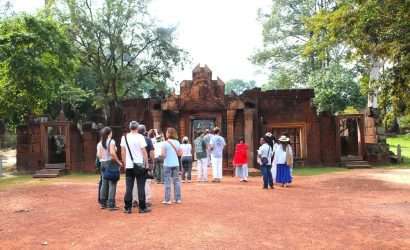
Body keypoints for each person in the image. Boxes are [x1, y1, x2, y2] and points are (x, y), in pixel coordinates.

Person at [121, 121, 150, 214]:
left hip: (129, 166)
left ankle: (127, 208)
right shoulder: (140, 137)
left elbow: (123, 152)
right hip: (139, 165)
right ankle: (142, 208)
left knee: (129, 187)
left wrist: (125, 164)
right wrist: (146, 164)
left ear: (130, 128)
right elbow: (144, 151)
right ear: (137, 128)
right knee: (141, 186)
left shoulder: (124, 137)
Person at [97, 127, 122, 210]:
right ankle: (111, 204)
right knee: (113, 183)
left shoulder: (100, 143)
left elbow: (98, 155)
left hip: (102, 163)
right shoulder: (111, 141)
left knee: (104, 183)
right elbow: (112, 153)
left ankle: (103, 203)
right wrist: (118, 162)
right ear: (109, 133)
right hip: (110, 163)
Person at [132, 124, 154, 208]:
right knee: (146, 182)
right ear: (145, 131)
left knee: (135, 182)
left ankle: (135, 200)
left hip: (135, 163)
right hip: (145, 162)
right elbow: (151, 152)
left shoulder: (133, 139)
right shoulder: (147, 140)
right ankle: (147, 200)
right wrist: (152, 160)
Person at [161, 127, 182, 204]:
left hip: (167, 164)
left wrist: (162, 156)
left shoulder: (165, 143)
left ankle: (167, 199)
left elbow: (163, 154)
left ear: (169, 134)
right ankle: (178, 199)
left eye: (166, 132)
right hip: (176, 164)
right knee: (176, 181)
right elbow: (180, 153)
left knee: (167, 181)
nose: (166, 133)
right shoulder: (177, 142)